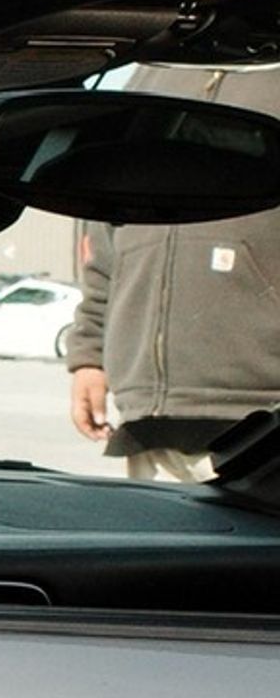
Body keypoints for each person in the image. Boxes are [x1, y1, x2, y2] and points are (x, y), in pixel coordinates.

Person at [65, 62, 280, 479]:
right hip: (148, 429)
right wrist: (90, 356)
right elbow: (106, 238)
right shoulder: (149, 77)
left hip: (264, 428)